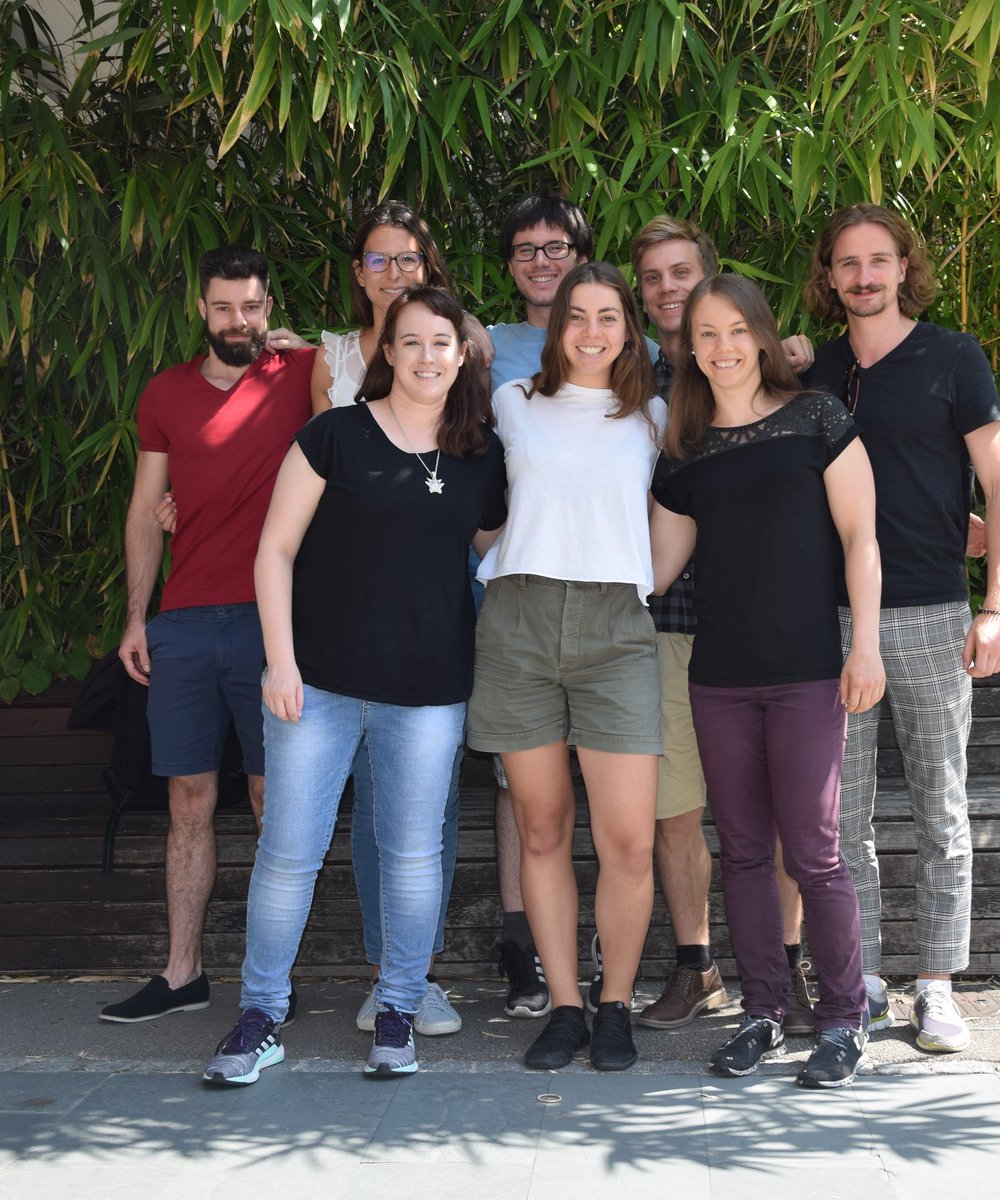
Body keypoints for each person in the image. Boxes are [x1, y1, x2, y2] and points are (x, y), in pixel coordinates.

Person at [203, 287, 506, 1084]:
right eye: (410, 343)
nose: (427, 356)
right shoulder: (332, 436)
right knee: (288, 854)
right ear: (387, 354)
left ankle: (398, 1008)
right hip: (320, 684)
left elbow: (499, 544)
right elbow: (274, 552)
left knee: (411, 857)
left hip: (429, 690)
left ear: (463, 354)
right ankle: (262, 1015)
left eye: (442, 342)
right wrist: (282, 662)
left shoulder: (482, 458)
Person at [651, 274, 883, 1087]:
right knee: (745, 850)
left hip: (808, 670)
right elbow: (652, 567)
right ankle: (762, 1011)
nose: (721, 348)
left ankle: (844, 1019)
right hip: (718, 676)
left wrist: (867, 648)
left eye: (734, 331)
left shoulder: (817, 417)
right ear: (690, 348)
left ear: (759, 334)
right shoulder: (685, 450)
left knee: (815, 852)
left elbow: (861, 538)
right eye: (703, 334)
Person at [803, 203, 1000, 1053]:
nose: (863, 276)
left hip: (932, 610)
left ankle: (936, 985)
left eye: (878, 261)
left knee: (940, 806)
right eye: (847, 263)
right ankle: (859, 982)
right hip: (830, 620)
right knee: (841, 818)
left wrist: (998, 606)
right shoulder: (816, 371)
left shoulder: (951, 357)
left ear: (904, 267)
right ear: (828, 276)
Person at [102, 246, 313, 1025]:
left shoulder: (305, 374)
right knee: (188, 798)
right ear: (201, 309)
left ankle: (270, 985)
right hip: (185, 620)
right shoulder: (165, 392)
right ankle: (182, 971)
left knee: (271, 798)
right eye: (223, 307)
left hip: (275, 622)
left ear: (268, 304)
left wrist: (308, 344)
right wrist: (136, 614)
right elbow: (143, 507)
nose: (239, 321)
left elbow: (387, 370)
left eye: (251, 306)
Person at [468, 261, 666, 1072]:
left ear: (630, 329)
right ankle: (565, 1005)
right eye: (577, 316)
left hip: (618, 628)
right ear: (556, 328)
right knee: (542, 831)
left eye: (608, 317)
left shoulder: (655, 414)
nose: (591, 331)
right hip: (517, 622)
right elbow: (466, 497)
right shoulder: (511, 404)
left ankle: (615, 1002)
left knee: (627, 840)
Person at [629, 216, 818, 1035]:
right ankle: (697, 965)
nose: (669, 289)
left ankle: (785, 969)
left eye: (683, 273)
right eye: (654, 279)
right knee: (678, 810)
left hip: (769, 627)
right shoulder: (621, 377)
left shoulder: (768, 374)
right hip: (669, 624)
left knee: (779, 817)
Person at [311, 201, 482, 1039]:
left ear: (428, 265)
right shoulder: (334, 356)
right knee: (368, 801)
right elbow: (306, 458)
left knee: (425, 802)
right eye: (376, 260)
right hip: (350, 600)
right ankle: (386, 975)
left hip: (446, 582)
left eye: (407, 259)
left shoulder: (462, 338)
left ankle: (419, 977)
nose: (392, 273)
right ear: (357, 272)